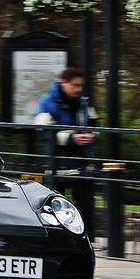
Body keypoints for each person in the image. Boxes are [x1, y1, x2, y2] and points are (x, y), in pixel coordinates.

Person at [34, 67, 98, 241]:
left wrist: (91, 135)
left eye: (81, 86)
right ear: (64, 83)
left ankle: (88, 240)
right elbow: (44, 131)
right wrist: (71, 138)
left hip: (83, 164)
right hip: (58, 166)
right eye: (75, 85)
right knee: (56, 205)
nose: (78, 89)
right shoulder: (47, 102)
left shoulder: (85, 102)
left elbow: (94, 125)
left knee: (86, 205)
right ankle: (58, 239)